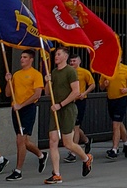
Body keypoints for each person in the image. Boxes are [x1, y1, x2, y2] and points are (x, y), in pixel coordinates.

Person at [44, 46, 93, 183]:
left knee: (68, 143)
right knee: (52, 140)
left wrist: (61, 104)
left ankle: (86, 158)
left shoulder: (70, 71)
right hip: (55, 110)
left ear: (65, 56)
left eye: (59, 54)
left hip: (67, 109)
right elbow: (48, 93)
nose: (56, 57)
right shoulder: (53, 72)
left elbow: (76, 92)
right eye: (56, 55)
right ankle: (56, 174)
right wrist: (47, 81)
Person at [4, 49, 47, 181]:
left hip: (27, 109)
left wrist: (21, 105)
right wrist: (8, 81)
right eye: (21, 57)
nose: (21, 59)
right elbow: (7, 94)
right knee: (24, 141)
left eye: (25, 57)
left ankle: (18, 171)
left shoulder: (36, 74)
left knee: (20, 140)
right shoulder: (16, 74)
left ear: (31, 59)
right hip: (16, 110)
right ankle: (41, 155)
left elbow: (37, 94)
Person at [99, 61, 127, 158]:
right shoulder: (106, 69)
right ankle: (126, 141)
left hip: (121, 98)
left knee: (115, 124)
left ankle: (115, 149)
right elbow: (101, 86)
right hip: (111, 99)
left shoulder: (125, 68)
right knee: (118, 122)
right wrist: (104, 84)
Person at [64, 54, 94, 162]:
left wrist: (84, 93)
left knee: (75, 127)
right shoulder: (66, 72)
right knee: (73, 126)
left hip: (80, 101)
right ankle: (86, 140)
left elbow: (92, 84)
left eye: (74, 61)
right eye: (70, 61)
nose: (72, 63)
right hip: (69, 101)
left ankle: (73, 152)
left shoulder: (84, 72)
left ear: (79, 61)